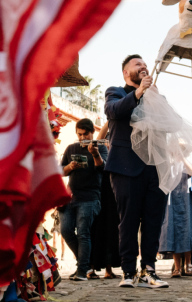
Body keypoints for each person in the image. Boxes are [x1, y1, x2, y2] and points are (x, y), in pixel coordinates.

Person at [104, 55, 169, 288]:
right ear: (125, 73)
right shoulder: (115, 92)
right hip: (125, 167)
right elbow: (115, 112)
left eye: (144, 64)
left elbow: (169, 123)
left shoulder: (157, 97)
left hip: (155, 167)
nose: (143, 67)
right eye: (137, 65)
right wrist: (140, 92)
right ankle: (129, 271)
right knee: (128, 221)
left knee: (154, 220)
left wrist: (156, 99)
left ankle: (149, 270)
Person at [58, 119, 107, 281]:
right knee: (65, 230)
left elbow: (104, 168)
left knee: (83, 233)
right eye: (79, 134)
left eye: (86, 134)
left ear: (93, 132)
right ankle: (84, 264)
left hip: (90, 198)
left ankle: (82, 271)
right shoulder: (71, 148)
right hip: (71, 197)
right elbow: (61, 171)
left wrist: (95, 154)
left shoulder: (100, 147)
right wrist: (70, 167)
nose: (82, 137)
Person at [159, 158, 192, 278]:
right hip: (171, 199)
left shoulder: (188, 161)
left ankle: (188, 263)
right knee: (173, 229)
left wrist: (182, 158)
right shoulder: (168, 162)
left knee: (187, 228)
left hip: (185, 198)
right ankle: (177, 267)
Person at [89, 124, 121, 279]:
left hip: (112, 199)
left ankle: (108, 270)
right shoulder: (101, 153)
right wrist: (109, 121)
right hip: (98, 195)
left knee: (110, 234)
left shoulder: (119, 155)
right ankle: (92, 268)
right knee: (95, 232)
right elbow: (98, 140)